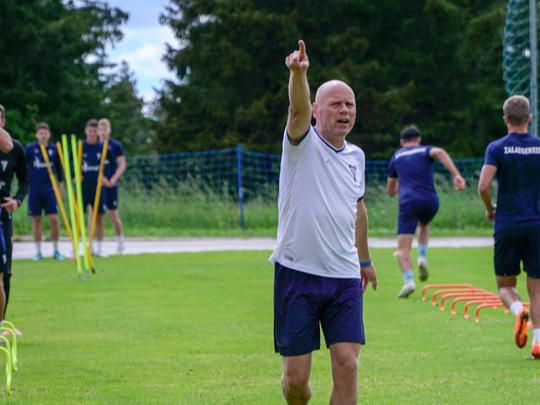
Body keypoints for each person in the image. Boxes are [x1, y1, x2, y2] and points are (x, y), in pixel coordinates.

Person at [269, 40, 377, 405]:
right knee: (296, 381)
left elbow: (357, 211)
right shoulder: (301, 142)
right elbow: (296, 107)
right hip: (297, 274)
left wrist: (365, 261)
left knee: (348, 364)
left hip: (344, 277)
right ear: (317, 110)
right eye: (336, 104)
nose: (344, 111)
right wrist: (299, 74)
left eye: (350, 105)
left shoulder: (357, 157)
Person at [478, 95, 540, 360]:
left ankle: (518, 311)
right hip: (537, 225)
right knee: (536, 289)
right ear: (530, 118)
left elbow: (483, 186)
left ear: (505, 119)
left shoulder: (497, 147)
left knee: (505, 285)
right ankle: (538, 342)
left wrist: (490, 208)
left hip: (508, 224)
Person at [386, 125, 465, 298]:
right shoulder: (425, 150)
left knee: (402, 249)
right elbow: (439, 153)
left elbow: (390, 191)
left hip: (408, 202)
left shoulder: (397, 156)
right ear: (418, 140)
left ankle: (408, 281)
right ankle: (422, 256)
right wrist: (456, 175)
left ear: (401, 142)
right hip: (431, 201)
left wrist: (402, 184)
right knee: (424, 223)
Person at [0, 105, 29, 336]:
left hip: (3, 214)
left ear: (4, 121)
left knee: (5, 271)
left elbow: (25, 181)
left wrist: (17, 201)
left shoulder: (14, 148)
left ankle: (2, 323)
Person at [25, 123, 64, 261]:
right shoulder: (30, 149)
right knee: (36, 220)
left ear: (49, 134)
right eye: (40, 132)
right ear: (36, 135)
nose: (43, 135)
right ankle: (38, 251)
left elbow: (61, 173)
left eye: (45, 132)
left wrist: (60, 191)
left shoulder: (54, 149)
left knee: (54, 219)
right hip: (35, 190)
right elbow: (23, 169)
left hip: (50, 190)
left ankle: (56, 250)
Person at [81, 119, 115, 257]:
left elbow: (113, 164)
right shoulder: (80, 146)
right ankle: (86, 247)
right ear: (86, 131)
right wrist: (75, 175)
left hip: (98, 187)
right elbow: (68, 162)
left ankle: (100, 248)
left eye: (95, 131)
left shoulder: (103, 147)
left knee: (99, 217)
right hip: (83, 187)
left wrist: (106, 177)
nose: (92, 134)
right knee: (80, 217)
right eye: (90, 131)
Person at [97, 118, 125, 254]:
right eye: (100, 129)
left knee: (113, 214)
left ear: (109, 130)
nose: (102, 132)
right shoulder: (95, 145)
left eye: (105, 129)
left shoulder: (115, 146)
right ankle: (97, 246)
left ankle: (120, 242)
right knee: (95, 215)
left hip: (111, 184)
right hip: (98, 185)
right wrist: (101, 179)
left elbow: (122, 164)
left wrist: (113, 179)